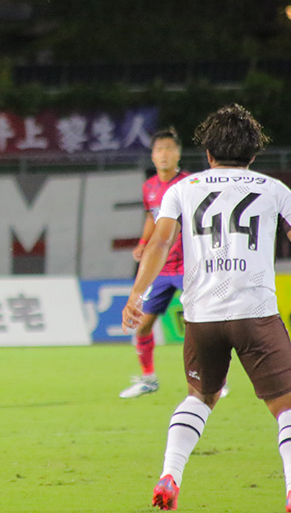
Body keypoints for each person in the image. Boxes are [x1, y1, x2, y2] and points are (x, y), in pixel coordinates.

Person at [122, 104, 291, 512]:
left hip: (202, 317)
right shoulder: (274, 189)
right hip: (255, 314)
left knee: (199, 396)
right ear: (253, 153)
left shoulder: (183, 189)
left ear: (208, 153)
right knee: (288, 405)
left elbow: (160, 242)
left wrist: (136, 294)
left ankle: (170, 475)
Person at [120, 128, 189, 398]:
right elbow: (152, 217)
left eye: (169, 149)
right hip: (161, 269)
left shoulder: (189, 184)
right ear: (152, 155)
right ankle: (148, 379)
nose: (164, 154)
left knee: (202, 323)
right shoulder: (149, 187)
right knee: (143, 325)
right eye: (159, 149)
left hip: (188, 266)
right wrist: (142, 243)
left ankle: (215, 379)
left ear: (178, 153)